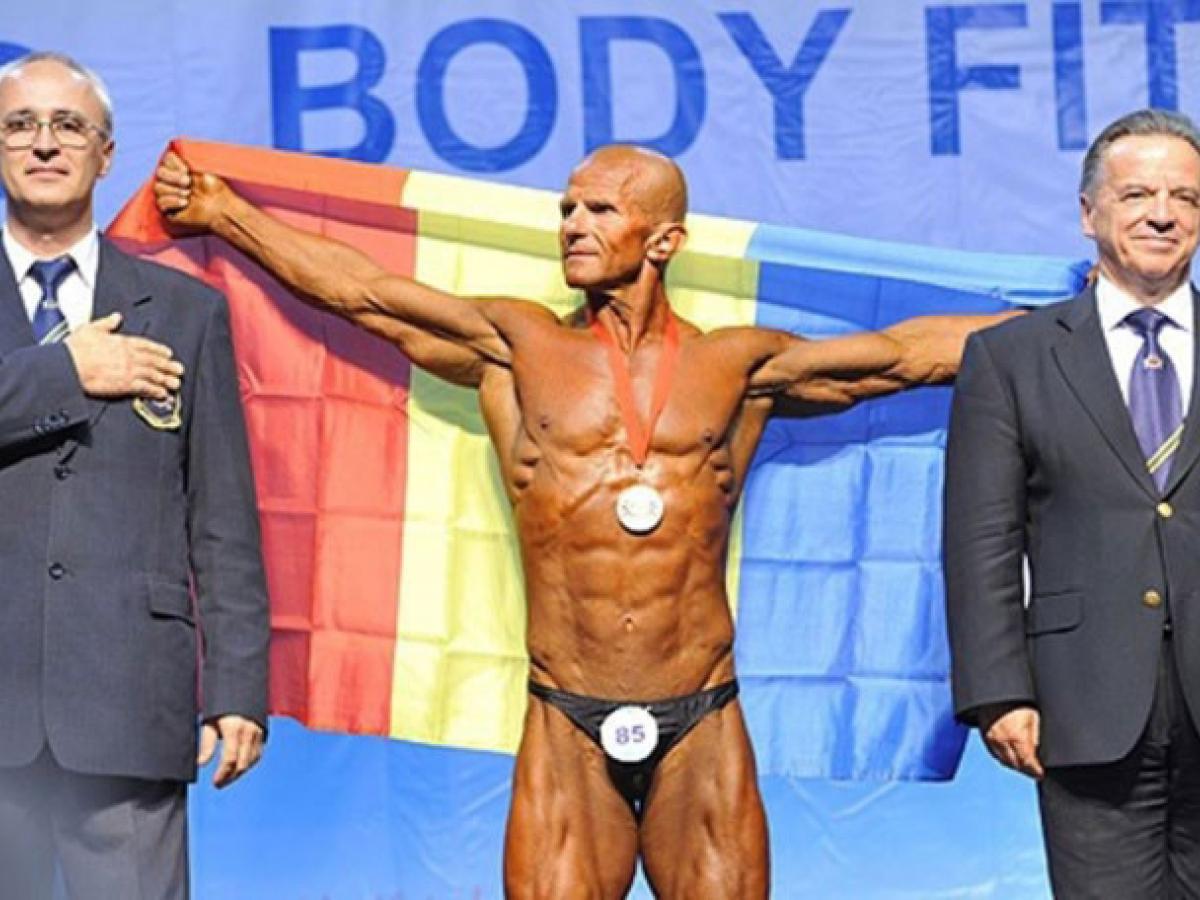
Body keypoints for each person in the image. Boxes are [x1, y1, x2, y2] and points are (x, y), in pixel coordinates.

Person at [156, 141, 1008, 899]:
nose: (571, 225)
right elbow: (366, 295)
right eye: (568, 208)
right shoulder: (518, 348)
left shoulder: (735, 366)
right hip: (567, 720)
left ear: (663, 241)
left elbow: (903, 357)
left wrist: (1065, 327)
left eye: (600, 210)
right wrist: (227, 215)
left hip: (702, 719)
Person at [0, 52, 270, 899]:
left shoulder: (187, 311)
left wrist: (238, 688)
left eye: (68, 125)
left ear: (106, 153)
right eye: (20, 125)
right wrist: (65, 374)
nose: (45, 143)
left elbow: (221, 516)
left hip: (126, 701)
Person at [944, 108, 1200, 897]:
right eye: (1137, 195)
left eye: (1185, 198)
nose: (1163, 215)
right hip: (1086, 708)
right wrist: (999, 691)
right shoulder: (1010, 358)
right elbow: (981, 541)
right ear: (1089, 214)